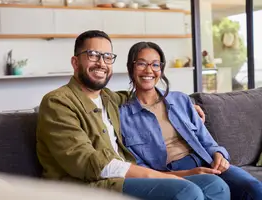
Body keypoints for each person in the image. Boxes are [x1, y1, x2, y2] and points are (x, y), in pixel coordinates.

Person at [36, 30, 230, 200]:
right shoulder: (58, 102)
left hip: (124, 178)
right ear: (75, 62)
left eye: (107, 56)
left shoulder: (109, 99)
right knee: (186, 192)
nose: (101, 63)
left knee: (215, 185)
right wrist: (166, 176)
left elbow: (148, 96)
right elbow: (87, 163)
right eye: (93, 55)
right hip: (92, 185)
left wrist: (190, 105)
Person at [119, 41, 262, 200]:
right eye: (141, 64)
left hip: (206, 160)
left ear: (161, 69)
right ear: (130, 68)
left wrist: (218, 154)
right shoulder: (122, 115)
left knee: (253, 188)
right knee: (215, 188)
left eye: (155, 64)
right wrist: (187, 173)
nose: (149, 70)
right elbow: (139, 167)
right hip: (171, 173)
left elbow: (207, 141)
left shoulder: (181, 100)